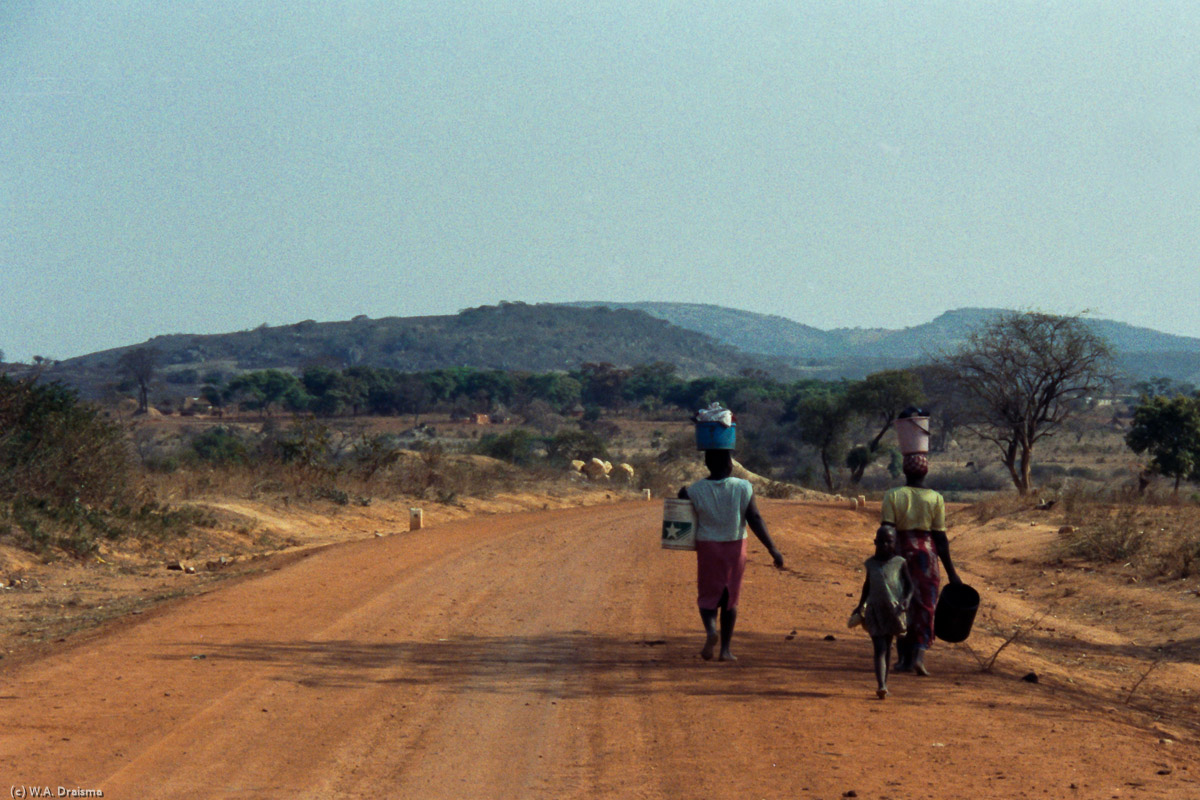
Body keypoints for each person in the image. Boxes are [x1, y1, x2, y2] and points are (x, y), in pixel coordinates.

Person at [678, 449, 784, 661]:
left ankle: (710, 630)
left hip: (708, 546)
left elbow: (681, 516)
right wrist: (772, 548)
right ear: (729, 464)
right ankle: (725, 650)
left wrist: (682, 497)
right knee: (730, 597)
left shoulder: (696, 490)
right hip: (735, 546)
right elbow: (754, 517)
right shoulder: (743, 487)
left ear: (707, 464)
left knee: (707, 594)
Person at [881, 453, 962, 676]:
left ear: (905, 472)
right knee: (926, 605)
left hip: (899, 554)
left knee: (900, 604)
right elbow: (941, 539)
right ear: (926, 472)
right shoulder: (936, 498)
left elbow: (887, 531)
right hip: (927, 556)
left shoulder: (893, 495)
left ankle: (902, 660)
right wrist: (952, 573)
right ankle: (918, 657)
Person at [851, 524, 913, 699]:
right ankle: (882, 685)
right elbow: (867, 586)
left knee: (887, 646)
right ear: (875, 542)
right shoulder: (870, 564)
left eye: (889, 542)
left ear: (895, 543)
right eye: (882, 542)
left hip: (893, 612)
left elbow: (909, 587)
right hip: (874, 611)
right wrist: (860, 605)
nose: (885, 545)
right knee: (879, 648)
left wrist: (906, 601)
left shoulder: (900, 563)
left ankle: (884, 683)